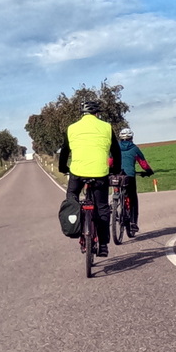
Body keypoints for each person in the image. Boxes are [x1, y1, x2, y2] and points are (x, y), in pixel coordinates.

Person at [59, 101, 120, 256]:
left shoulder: (72, 128)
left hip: (78, 173)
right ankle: (104, 244)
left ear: (82, 113)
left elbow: (64, 151)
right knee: (102, 208)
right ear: (97, 114)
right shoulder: (106, 127)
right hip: (100, 173)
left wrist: (62, 168)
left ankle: (77, 227)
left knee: (71, 198)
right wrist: (115, 169)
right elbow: (116, 151)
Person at [115, 127, 154, 235]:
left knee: (117, 190)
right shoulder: (135, 148)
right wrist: (149, 171)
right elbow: (143, 163)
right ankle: (133, 222)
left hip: (117, 176)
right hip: (130, 176)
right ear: (131, 137)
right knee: (133, 199)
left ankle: (115, 207)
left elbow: (109, 161)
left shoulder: (115, 148)